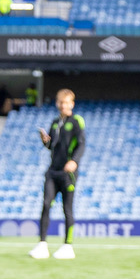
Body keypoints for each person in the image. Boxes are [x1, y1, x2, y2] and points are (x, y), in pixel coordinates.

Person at [29, 88, 85, 260]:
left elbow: (82, 144)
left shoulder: (76, 121)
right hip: (52, 172)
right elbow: (51, 147)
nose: (63, 105)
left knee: (67, 209)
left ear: (72, 104)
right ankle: (42, 244)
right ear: (57, 103)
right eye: (61, 102)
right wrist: (45, 141)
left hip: (68, 174)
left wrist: (74, 161)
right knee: (46, 204)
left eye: (67, 102)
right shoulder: (54, 122)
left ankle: (68, 246)